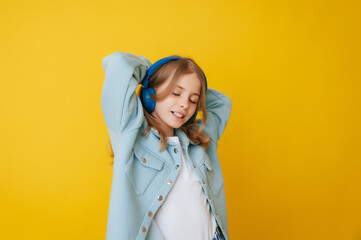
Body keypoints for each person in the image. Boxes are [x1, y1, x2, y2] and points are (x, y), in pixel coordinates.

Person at [101, 51, 232, 240]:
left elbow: (223, 104)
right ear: (150, 93)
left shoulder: (198, 140)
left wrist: (195, 85)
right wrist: (151, 76)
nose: (184, 104)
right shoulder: (130, 133)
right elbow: (119, 64)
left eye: (193, 100)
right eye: (176, 92)